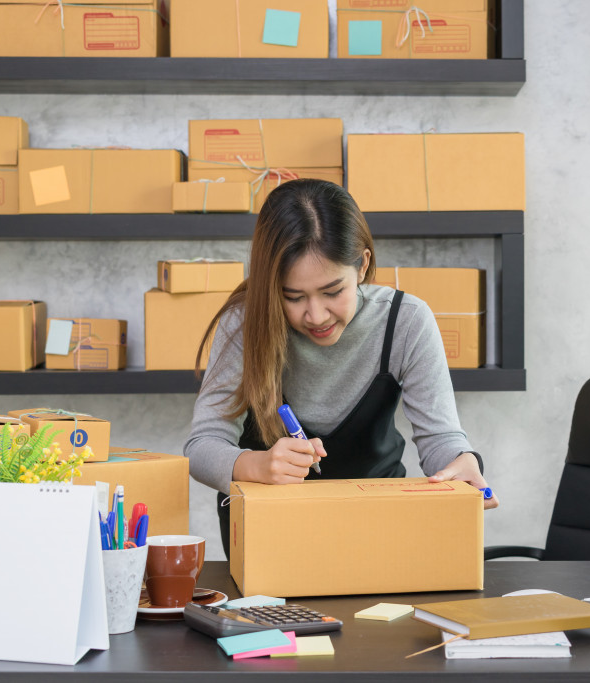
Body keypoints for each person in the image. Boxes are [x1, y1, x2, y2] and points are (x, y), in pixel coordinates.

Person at [184, 179, 497, 556]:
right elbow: (201, 447)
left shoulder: (406, 320)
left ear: (362, 265)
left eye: (333, 291)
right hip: (270, 531)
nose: (316, 316)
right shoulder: (244, 323)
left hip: (377, 525)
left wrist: (461, 464)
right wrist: (257, 465)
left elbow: (440, 438)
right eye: (293, 297)